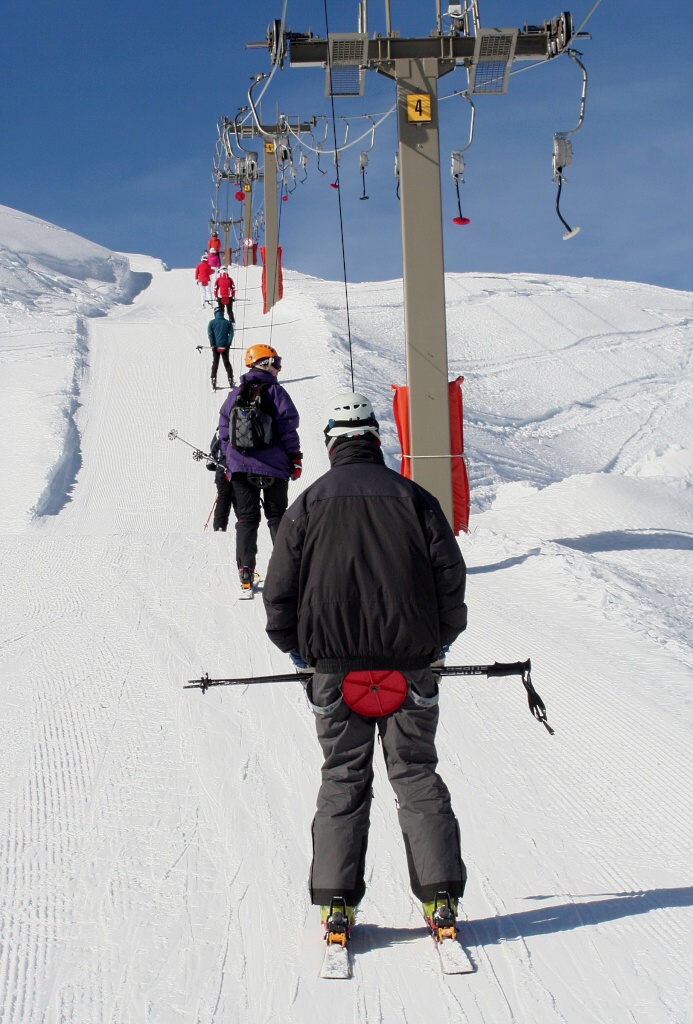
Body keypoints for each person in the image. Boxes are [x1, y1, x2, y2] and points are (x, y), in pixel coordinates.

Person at [262, 392, 468, 944]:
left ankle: (336, 904)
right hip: (411, 667)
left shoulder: (308, 505)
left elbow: (278, 590)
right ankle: (441, 894)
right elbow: (451, 579)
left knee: (343, 777)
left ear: (332, 443)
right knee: (416, 774)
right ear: (377, 440)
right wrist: (438, 641)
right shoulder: (416, 499)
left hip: (334, 669)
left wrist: (296, 650)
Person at [218, 344, 301, 597]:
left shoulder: (235, 393)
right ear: (264, 363)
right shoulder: (276, 392)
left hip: (241, 468)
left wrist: (229, 462)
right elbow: (288, 428)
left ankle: (245, 571)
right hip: (275, 467)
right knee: (277, 517)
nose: (278, 368)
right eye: (276, 362)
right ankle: (286, 573)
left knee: (247, 518)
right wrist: (295, 459)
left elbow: (223, 430)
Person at [206, 429, 234, 531]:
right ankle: (245, 527)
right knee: (242, 500)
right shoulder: (247, 425)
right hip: (241, 471)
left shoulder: (221, 430)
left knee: (223, 499)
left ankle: (219, 527)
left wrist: (216, 466)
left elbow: (213, 452)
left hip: (222, 471)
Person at [207, 307, 235, 391]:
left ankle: (213, 379)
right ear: (223, 313)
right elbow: (231, 333)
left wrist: (212, 344)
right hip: (225, 346)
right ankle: (230, 379)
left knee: (215, 363)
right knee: (227, 363)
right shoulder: (228, 323)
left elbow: (210, 334)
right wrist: (229, 343)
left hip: (215, 346)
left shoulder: (211, 323)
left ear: (215, 313)